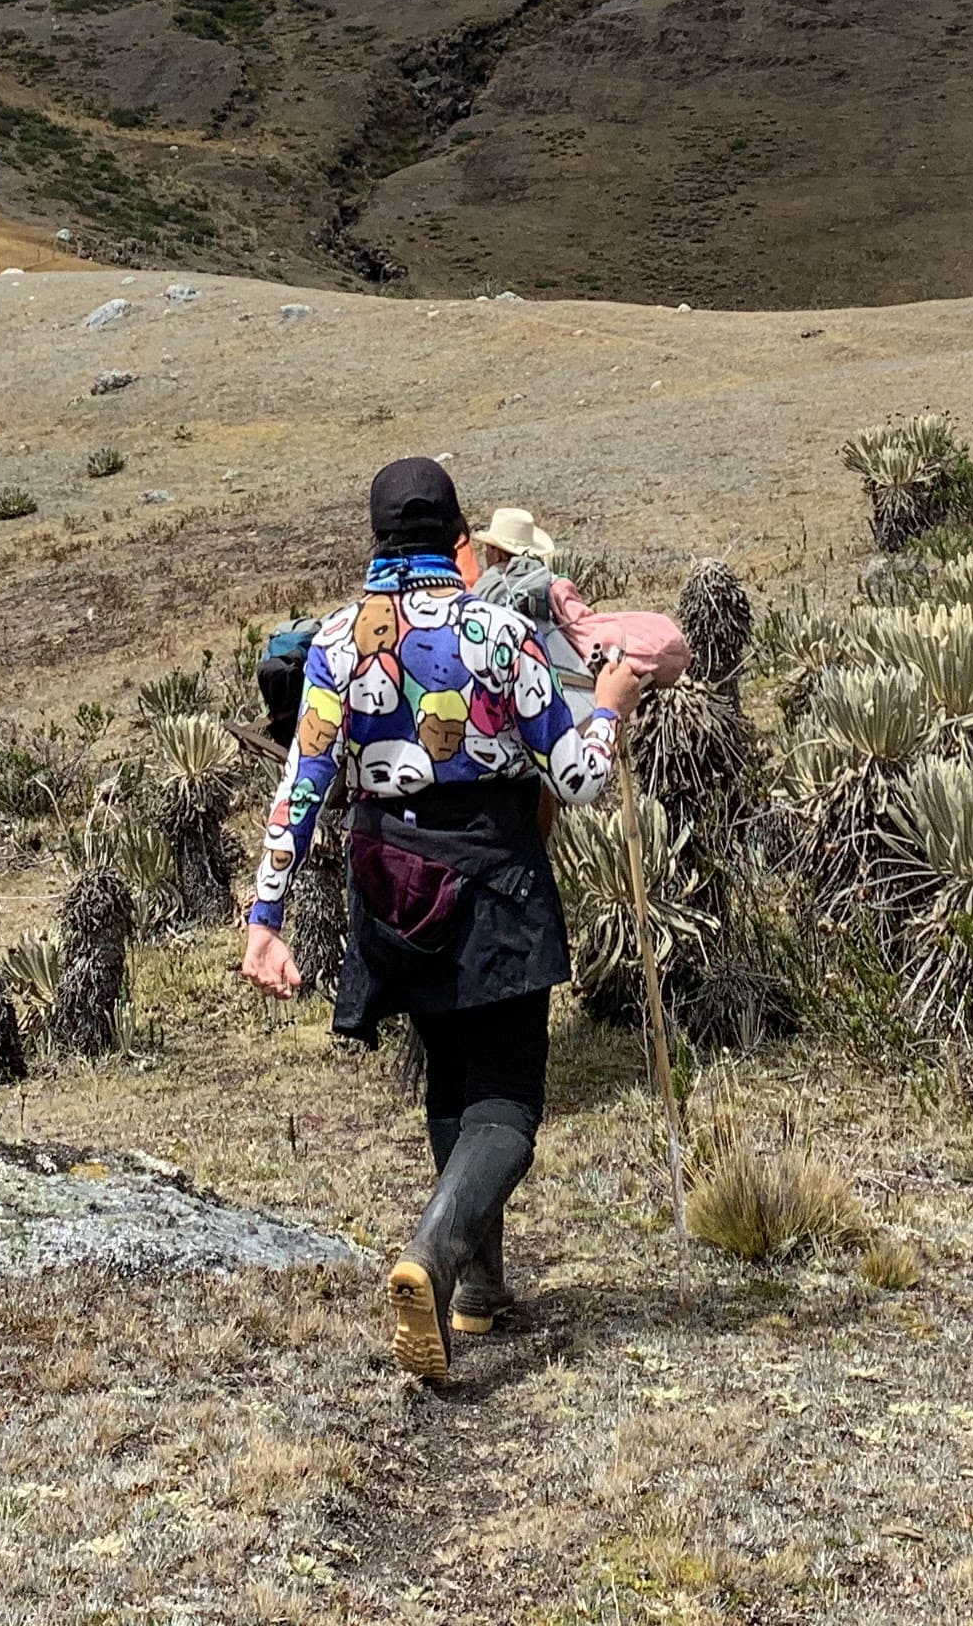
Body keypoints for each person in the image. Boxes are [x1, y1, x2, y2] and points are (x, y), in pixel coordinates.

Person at [240, 456, 648, 1379]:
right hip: (494, 878)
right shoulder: (502, 634)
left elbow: (302, 786)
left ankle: (477, 1288)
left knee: (450, 1083)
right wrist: (613, 708)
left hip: (389, 885)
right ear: (460, 542)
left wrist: (266, 914)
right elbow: (579, 780)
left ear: (378, 544)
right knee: (505, 1102)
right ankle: (432, 1255)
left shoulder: (338, 643)